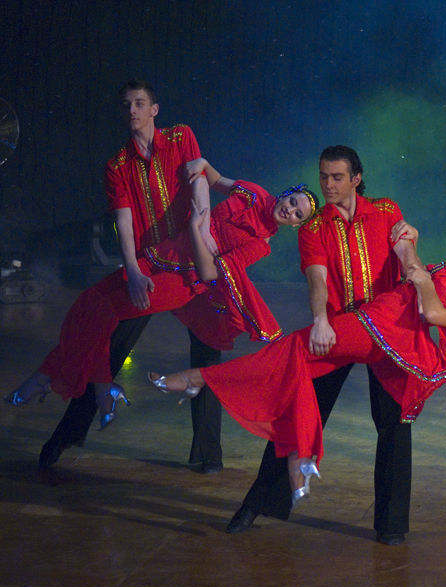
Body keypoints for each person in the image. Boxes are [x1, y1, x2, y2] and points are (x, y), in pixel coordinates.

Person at [149, 258, 446, 511]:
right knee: (295, 366)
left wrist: (422, 281)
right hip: (379, 321)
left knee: (292, 350)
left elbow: (433, 313)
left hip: (373, 329)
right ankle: (300, 459)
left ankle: (198, 379)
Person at [10, 81, 213, 474]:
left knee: (207, 351)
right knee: (106, 338)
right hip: (151, 266)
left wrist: (202, 232)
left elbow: (199, 180)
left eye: (139, 103)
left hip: (192, 260)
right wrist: (132, 271)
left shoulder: (180, 137)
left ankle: (208, 453)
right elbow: (124, 221)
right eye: (126, 105)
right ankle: (67, 434)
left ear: (154, 109)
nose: (132, 111)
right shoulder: (117, 165)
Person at [5, 166, 318, 421]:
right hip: (161, 254)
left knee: (104, 310)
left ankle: (53, 379)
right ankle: (99, 386)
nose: (290, 210)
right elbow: (210, 175)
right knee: (88, 301)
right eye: (293, 202)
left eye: (297, 215)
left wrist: (196, 229)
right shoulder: (252, 192)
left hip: (181, 282)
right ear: (286, 193)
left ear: (296, 225)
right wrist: (202, 174)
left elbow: (209, 273)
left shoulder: (261, 245)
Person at [219, 146, 416, 545]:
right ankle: (258, 503)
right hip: (338, 331)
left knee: (395, 424)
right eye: (324, 176)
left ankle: (391, 526)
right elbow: (317, 279)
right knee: (298, 410)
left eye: (337, 177)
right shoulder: (314, 227)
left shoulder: (386, 211)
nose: (328, 184)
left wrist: (414, 255)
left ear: (356, 179)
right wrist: (321, 321)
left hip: (385, 331)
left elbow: (406, 255)